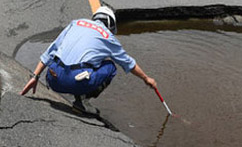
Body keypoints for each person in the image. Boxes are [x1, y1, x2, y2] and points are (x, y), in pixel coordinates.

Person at [20, 6, 157, 112]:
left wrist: (35, 76)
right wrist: (146, 78)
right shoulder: (108, 36)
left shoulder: (76, 23)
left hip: (52, 78)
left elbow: (51, 50)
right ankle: (82, 101)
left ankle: (77, 93)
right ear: (111, 24)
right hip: (75, 81)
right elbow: (128, 63)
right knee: (110, 66)